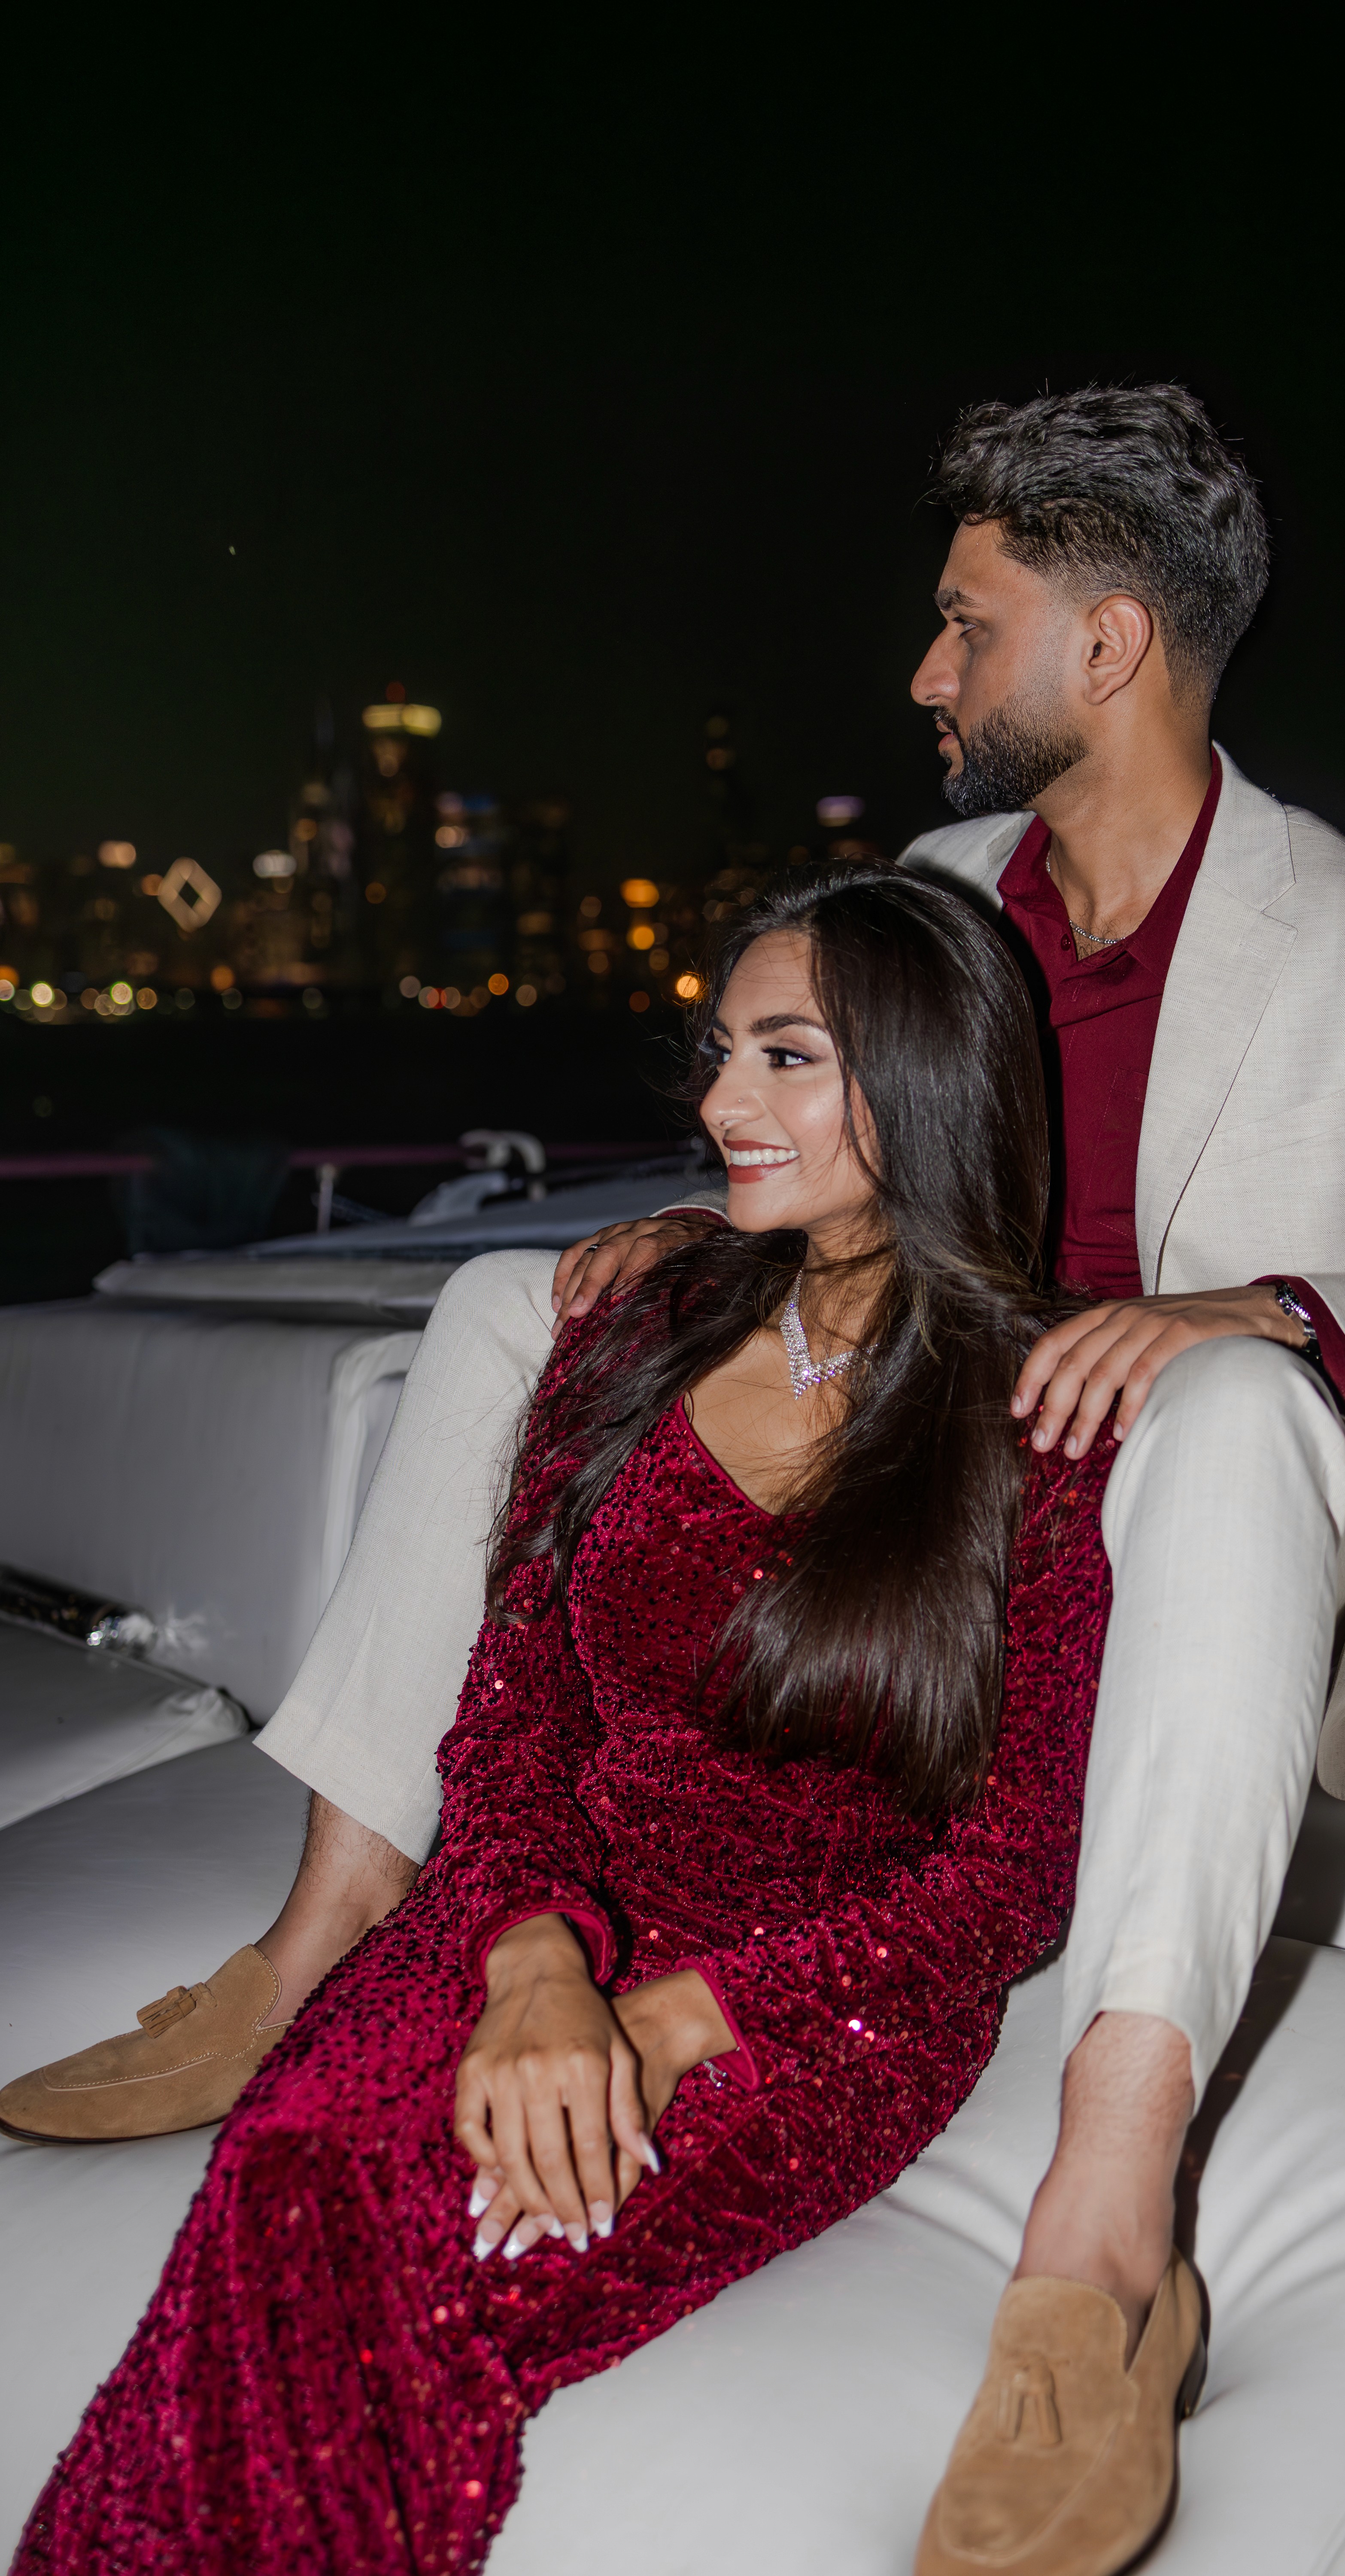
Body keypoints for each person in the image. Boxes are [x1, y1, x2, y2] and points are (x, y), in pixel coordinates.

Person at [5, 386, 1345, 2576]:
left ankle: (1108, 2216)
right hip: (910, 1441)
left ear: (1109, 643)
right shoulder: (940, 897)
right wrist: (715, 1229)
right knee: (508, 1299)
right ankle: (325, 1928)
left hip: (1173, 1502)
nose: (924, 672)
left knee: (1234, 1416)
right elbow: (860, 1135)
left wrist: (1260, 1314)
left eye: (966, 624)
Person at [19, 871, 1211, 2575]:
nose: (721, 1105)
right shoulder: (638, 1332)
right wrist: (530, 1962)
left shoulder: (1044, 1421)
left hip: (812, 2010)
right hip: (529, 1905)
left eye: (786, 1057)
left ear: (929, 1079)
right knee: (284, 2177)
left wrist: (660, 2028)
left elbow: (1010, 1876)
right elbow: (510, 1722)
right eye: (721, 1053)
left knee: (446, 2262)